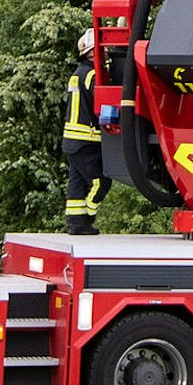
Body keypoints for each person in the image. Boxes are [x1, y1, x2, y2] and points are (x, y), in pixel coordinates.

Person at [62, 29, 113, 234]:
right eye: (104, 49)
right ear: (93, 52)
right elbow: (100, 103)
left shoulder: (77, 74)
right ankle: (88, 216)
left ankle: (75, 223)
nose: (107, 52)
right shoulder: (92, 74)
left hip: (72, 139)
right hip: (86, 139)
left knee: (77, 183)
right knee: (101, 182)